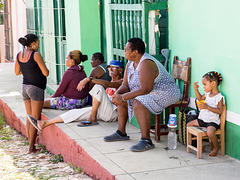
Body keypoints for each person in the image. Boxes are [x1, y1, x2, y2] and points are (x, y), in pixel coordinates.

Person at [104, 37, 181, 152]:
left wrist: (123, 97)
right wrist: (118, 94)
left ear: (135, 52)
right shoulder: (130, 63)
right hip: (151, 91)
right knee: (123, 99)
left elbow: (145, 89)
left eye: (126, 49)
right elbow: (125, 84)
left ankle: (146, 141)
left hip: (166, 92)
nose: (124, 51)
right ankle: (121, 132)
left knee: (138, 102)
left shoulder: (146, 63)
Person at [27, 60, 123, 131]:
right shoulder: (110, 81)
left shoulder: (121, 82)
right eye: (109, 67)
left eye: (114, 67)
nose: (111, 69)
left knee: (98, 87)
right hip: (104, 110)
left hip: (112, 114)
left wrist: (88, 79)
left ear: (120, 70)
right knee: (75, 113)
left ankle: (92, 118)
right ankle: (44, 124)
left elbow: (109, 85)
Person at [14, 34, 49, 153]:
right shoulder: (36, 55)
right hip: (36, 88)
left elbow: (17, 72)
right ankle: (31, 147)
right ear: (33, 43)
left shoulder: (19, 55)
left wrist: (27, 70)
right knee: (35, 117)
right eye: (37, 43)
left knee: (29, 117)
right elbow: (46, 73)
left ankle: (30, 144)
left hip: (25, 87)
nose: (38, 45)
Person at [187, 71, 224, 156]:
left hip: (212, 121)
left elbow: (220, 111)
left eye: (205, 84)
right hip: (202, 119)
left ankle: (216, 147)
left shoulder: (219, 97)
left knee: (210, 133)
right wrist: (196, 89)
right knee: (188, 125)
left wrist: (207, 107)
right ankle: (201, 142)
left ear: (213, 83)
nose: (203, 87)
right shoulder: (207, 94)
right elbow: (200, 98)